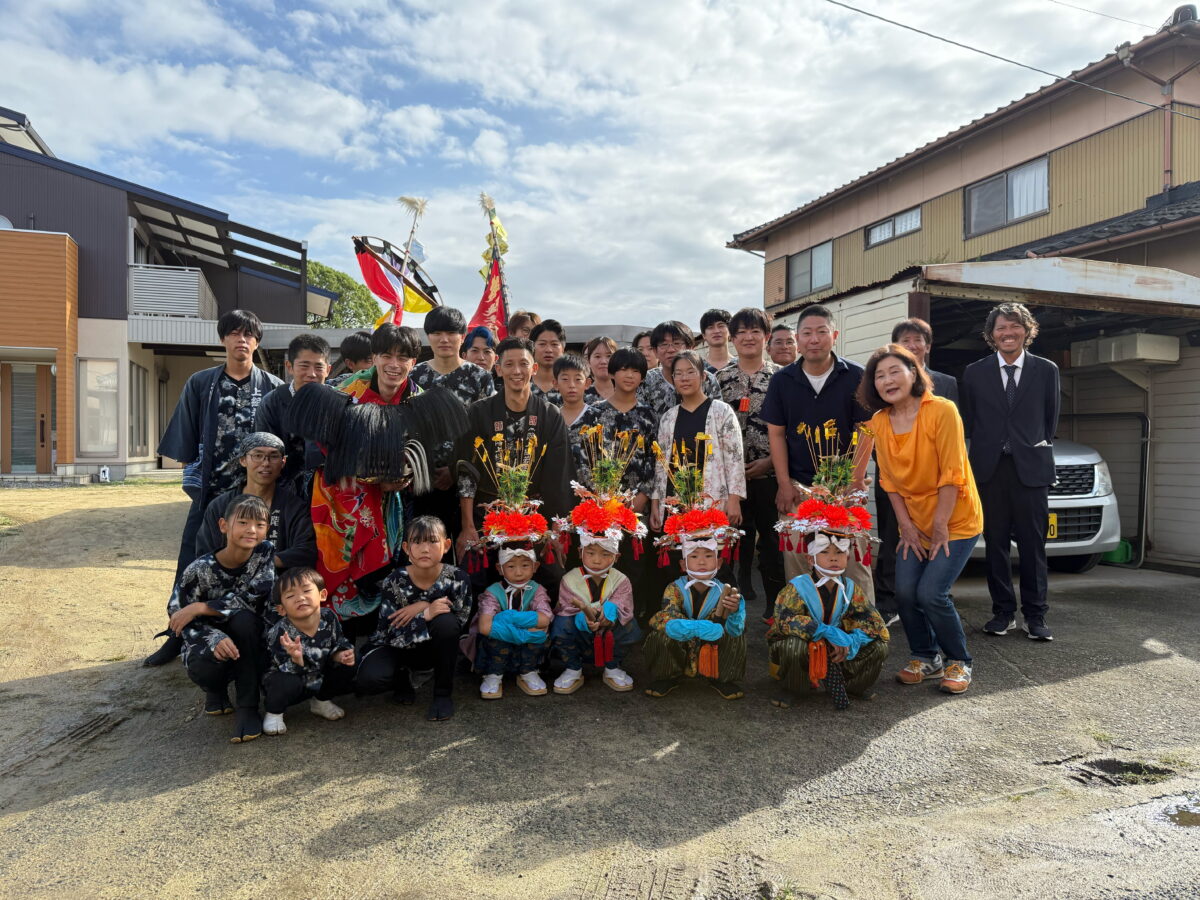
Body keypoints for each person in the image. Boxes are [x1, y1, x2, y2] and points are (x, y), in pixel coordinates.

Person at [147, 310, 281, 667]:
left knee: (260, 563)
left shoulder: (272, 386)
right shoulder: (201, 383)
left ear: (257, 341)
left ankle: (261, 637)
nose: (242, 341)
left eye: (249, 335)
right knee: (191, 560)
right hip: (212, 494)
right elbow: (186, 441)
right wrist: (194, 482)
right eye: (234, 334)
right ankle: (178, 633)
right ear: (223, 339)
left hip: (257, 497)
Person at [861, 344, 982, 694]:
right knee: (904, 591)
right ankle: (926, 657)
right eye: (879, 376)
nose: (887, 380)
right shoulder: (879, 422)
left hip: (955, 520)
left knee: (932, 593)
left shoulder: (942, 410)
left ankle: (959, 661)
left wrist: (939, 525)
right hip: (913, 521)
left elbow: (952, 473)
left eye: (894, 371)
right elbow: (890, 483)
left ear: (914, 373)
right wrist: (907, 527)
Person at [310, 324, 423, 632]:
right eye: (386, 355)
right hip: (344, 495)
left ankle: (382, 641)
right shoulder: (345, 394)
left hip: (392, 497)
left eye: (404, 357)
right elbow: (324, 448)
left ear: (414, 362)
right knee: (343, 570)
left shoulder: (418, 399)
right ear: (374, 357)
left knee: (389, 568)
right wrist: (369, 477)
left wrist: (403, 475)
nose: (394, 364)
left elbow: (424, 449)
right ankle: (337, 643)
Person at [761, 305, 875, 603]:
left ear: (834, 336)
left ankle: (863, 630)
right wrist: (784, 483)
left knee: (852, 562)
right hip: (799, 486)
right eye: (807, 333)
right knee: (798, 560)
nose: (814, 339)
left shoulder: (856, 376)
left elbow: (866, 430)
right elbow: (776, 434)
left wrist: (856, 478)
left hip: (844, 488)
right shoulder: (782, 380)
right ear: (797, 339)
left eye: (821, 332)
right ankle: (802, 626)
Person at [961, 303, 1059, 642]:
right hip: (989, 469)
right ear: (991, 335)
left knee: (1034, 546)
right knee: (996, 544)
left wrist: (1025, 445)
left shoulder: (1046, 370)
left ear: (1027, 331)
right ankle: (1003, 612)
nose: (1008, 333)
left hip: (1031, 469)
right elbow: (971, 422)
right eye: (1001, 328)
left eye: (1015, 327)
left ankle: (1036, 615)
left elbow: (1050, 421)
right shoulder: (974, 372)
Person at [165, 494, 276, 743]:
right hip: (209, 639)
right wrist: (214, 637)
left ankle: (247, 707)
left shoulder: (264, 552)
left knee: (245, 621)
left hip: (250, 635)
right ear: (224, 525)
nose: (252, 530)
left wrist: (202, 607)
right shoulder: (199, 570)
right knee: (204, 662)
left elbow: (256, 596)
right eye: (244, 522)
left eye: (260, 525)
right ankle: (214, 689)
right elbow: (178, 614)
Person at [454, 337, 574, 564]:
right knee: (476, 573)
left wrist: (555, 529)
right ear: (498, 369)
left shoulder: (550, 415)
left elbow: (559, 476)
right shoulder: (478, 412)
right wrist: (468, 527)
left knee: (550, 574)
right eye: (509, 365)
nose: (516, 371)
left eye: (523, 364)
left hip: (534, 517)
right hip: (486, 515)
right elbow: (465, 473)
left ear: (534, 368)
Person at [873, 317, 959, 623]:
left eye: (917, 340)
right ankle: (888, 599)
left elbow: (957, 440)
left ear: (927, 346)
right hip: (895, 478)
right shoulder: (883, 383)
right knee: (892, 534)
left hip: (937, 481)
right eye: (904, 341)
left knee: (939, 537)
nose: (912, 346)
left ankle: (935, 596)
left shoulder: (946, 385)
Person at [767, 507, 889, 710]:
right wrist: (825, 631)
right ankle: (792, 688)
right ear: (810, 559)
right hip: (806, 648)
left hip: (837, 651)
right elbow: (785, 621)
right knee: (793, 645)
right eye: (824, 552)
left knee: (879, 646)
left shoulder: (851, 589)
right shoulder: (797, 587)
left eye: (840, 552)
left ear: (847, 557)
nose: (833, 558)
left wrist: (853, 639)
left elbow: (875, 624)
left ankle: (852, 686)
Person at [357, 516, 471, 721]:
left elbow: (457, 625)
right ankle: (401, 679)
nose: (425, 549)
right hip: (399, 649)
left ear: (446, 545)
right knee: (370, 679)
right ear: (407, 548)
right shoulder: (395, 580)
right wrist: (425, 612)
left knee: (446, 623)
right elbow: (388, 633)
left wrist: (423, 608)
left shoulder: (458, 579)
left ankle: (443, 694)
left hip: (434, 649)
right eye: (417, 542)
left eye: (432, 541)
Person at [550, 459, 646, 694]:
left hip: (609, 628)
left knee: (630, 625)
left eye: (605, 554)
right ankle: (573, 668)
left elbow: (624, 606)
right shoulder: (570, 578)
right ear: (580, 552)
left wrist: (608, 614)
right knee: (561, 625)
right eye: (590, 552)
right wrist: (585, 617)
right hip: (580, 633)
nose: (596, 559)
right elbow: (564, 608)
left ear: (616, 556)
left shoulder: (620, 579)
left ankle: (612, 666)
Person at [717, 307, 783, 621]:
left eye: (755, 331)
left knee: (772, 541)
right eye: (741, 332)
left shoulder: (782, 378)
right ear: (732, 339)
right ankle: (731, 606)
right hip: (731, 480)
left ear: (766, 337)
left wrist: (770, 462)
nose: (748, 337)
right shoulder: (720, 379)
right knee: (731, 541)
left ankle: (775, 607)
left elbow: (791, 429)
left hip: (769, 473)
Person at [411, 307, 497, 543]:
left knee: (469, 551)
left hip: (471, 482)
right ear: (428, 336)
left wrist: (454, 468)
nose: (444, 339)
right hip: (424, 481)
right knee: (426, 546)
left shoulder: (480, 377)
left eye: (451, 332)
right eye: (436, 332)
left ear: (462, 336)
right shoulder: (415, 376)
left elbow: (487, 432)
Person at [643, 527, 746, 701]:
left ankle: (722, 677)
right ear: (683, 565)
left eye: (708, 556)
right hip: (682, 642)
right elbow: (668, 615)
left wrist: (735, 612)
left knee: (734, 635)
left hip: (712, 645)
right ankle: (668, 675)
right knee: (662, 634)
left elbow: (736, 628)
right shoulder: (674, 588)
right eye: (694, 556)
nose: (701, 562)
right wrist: (696, 627)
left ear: (719, 563)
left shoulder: (726, 592)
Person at [194, 432, 316, 572]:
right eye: (257, 456)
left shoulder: (295, 507)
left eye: (274, 456)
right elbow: (205, 551)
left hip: (278, 587)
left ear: (283, 462)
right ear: (243, 460)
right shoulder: (220, 505)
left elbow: (307, 551)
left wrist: (259, 562)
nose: (265, 463)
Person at [651, 350, 745, 531]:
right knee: (678, 555)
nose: (684, 378)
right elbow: (661, 463)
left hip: (712, 497)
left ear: (703, 376)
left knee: (709, 553)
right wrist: (656, 501)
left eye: (690, 371)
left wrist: (734, 499)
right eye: (678, 374)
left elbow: (734, 459)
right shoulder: (669, 417)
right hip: (674, 499)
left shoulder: (722, 412)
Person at [261, 567, 356, 736]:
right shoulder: (279, 632)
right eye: (291, 596)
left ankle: (321, 701)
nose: (300, 598)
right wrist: (296, 658)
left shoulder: (329, 616)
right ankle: (274, 712)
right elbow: (278, 667)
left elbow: (339, 641)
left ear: (322, 595)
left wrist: (339, 654)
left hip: (318, 674)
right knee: (284, 681)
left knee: (350, 660)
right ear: (281, 609)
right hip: (289, 679)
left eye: (306, 591)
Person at [466, 543, 554, 699]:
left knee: (538, 639)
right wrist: (522, 633)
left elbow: (544, 619)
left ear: (535, 566)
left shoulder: (537, 590)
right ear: (500, 569)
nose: (519, 572)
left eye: (525, 565)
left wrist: (507, 619)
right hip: (502, 641)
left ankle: (528, 671)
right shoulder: (493, 592)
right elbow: (485, 627)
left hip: (516, 637)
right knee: (494, 638)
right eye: (511, 566)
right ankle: (493, 673)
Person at [254, 333, 330, 497]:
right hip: (286, 496)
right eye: (304, 366)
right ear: (289, 366)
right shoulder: (271, 404)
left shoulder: (341, 403)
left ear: (328, 370)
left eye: (319, 367)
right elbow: (263, 458)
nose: (312, 374)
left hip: (331, 496)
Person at [638, 321, 722, 419]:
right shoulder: (646, 380)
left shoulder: (706, 379)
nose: (670, 350)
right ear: (655, 351)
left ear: (690, 348)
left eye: (676, 343)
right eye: (664, 344)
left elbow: (718, 416)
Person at [529, 318, 566, 404]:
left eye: (554, 344)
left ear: (563, 349)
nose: (548, 350)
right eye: (542, 344)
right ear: (532, 348)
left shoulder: (572, 386)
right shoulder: (521, 383)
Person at [554, 353, 590, 428]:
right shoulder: (550, 418)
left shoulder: (598, 417)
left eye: (578, 379)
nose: (572, 385)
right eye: (565, 379)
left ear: (587, 383)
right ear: (556, 384)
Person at [583, 335, 617, 403]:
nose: (604, 361)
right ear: (588, 361)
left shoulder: (629, 390)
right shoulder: (580, 395)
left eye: (609, 356)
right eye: (597, 356)